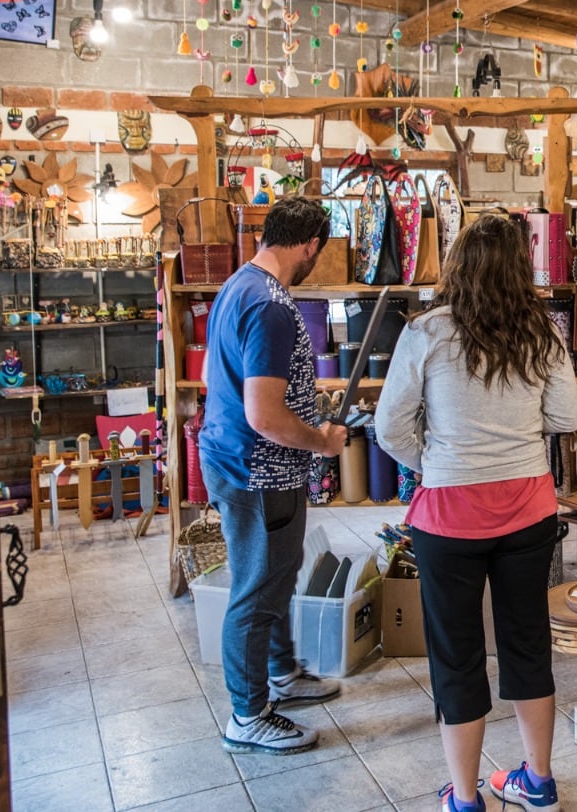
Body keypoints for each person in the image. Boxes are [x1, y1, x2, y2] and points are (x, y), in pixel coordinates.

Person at [375, 212, 577, 812]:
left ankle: (465, 798)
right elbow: (565, 419)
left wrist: (437, 459)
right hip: (528, 508)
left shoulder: (427, 332)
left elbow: (390, 428)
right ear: (521, 270)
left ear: (457, 266)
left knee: (457, 654)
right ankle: (537, 783)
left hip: (449, 517)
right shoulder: (543, 332)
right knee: (526, 643)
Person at [200, 196, 348, 756]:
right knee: (257, 589)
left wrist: (309, 398)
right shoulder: (271, 305)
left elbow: (256, 386)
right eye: (320, 251)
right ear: (311, 245)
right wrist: (323, 441)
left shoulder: (240, 284)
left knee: (276, 576)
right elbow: (264, 415)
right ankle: (248, 714)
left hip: (239, 459)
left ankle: (281, 674)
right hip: (256, 469)